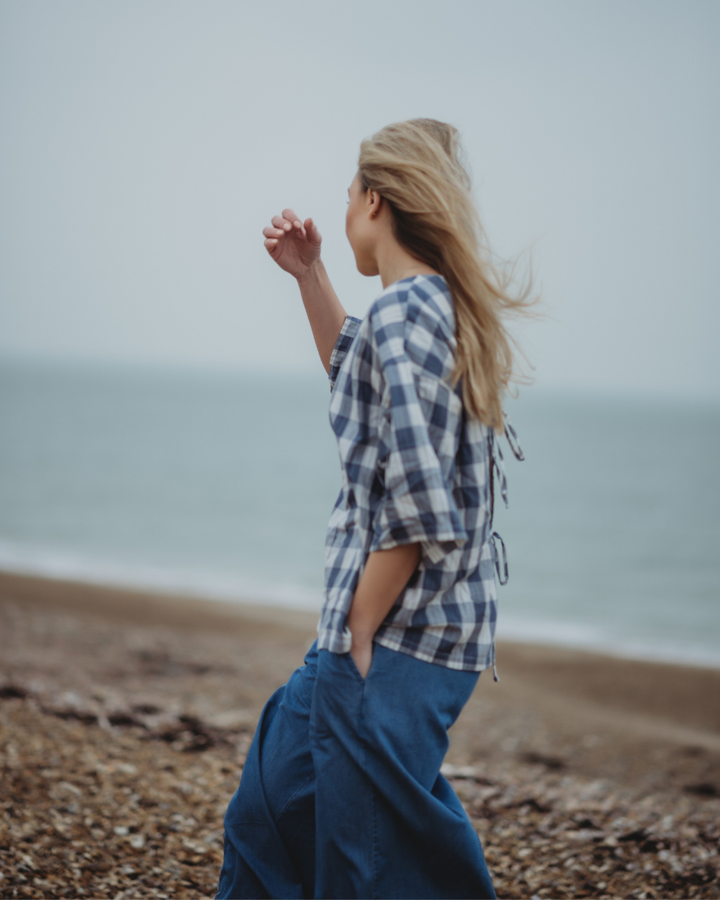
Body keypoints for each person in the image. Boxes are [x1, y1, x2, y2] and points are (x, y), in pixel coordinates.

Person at [216, 118, 531, 900]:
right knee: (272, 809)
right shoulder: (421, 313)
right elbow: (355, 373)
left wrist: (358, 632)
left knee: (365, 863)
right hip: (389, 643)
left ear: (375, 201)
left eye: (350, 193)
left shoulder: (407, 315)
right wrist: (310, 274)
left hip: (389, 642)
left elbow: (420, 504)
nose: (346, 205)